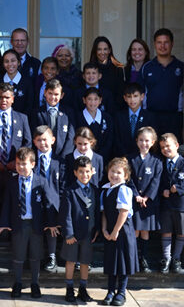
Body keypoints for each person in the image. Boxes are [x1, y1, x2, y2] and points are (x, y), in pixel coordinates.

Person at [0, 147, 58, 299]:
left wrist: (51, 223)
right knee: (18, 255)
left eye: (24, 164)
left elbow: (49, 203)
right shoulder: (12, 182)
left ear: (33, 164)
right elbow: (6, 203)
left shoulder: (41, 181)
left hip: (36, 225)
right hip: (19, 225)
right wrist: (4, 223)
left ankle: (34, 283)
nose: (21, 167)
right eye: (18, 164)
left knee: (35, 255)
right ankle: (17, 283)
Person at [0, 83, 32, 234]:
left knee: (12, 200)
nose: (4, 100)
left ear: (13, 99)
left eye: (7, 97)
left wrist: (16, 162)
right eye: (1, 97)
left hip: (14, 169)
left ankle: (11, 232)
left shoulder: (22, 118)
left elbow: (27, 142)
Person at [60, 156, 100, 303]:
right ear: (75, 173)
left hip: (88, 233)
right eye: (81, 172)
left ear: (92, 172)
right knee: (71, 261)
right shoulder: (69, 191)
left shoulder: (95, 190)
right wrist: (69, 233)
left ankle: (83, 289)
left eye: (88, 172)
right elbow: (66, 215)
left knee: (85, 262)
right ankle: (69, 289)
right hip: (73, 234)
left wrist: (96, 230)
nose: (85, 175)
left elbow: (95, 212)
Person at [158, 133, 184, 274]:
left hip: (181, 204)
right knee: (166, 231)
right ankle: (166, 259)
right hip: (166, 204)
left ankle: (176, 259)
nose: (165, 149)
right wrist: (163, 190)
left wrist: (179, 188)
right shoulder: (161, 164)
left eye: (168, 146)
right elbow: (158, 182)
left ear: (176, 146)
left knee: (181, 232)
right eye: (162, 147)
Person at [101, 157, 139, 306]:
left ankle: (121, 292)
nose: (114, 175)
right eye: (112, 171)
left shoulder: (124, 190)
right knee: (111, 262)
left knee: (123, 262)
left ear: (125, 176)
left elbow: (123, 212)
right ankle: (110, 291)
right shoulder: (105, 191)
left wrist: (116, 231)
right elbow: (104, 212)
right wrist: (104, 229)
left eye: (119, 173)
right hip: (110, 230)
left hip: (122, 231)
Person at [128, 127, 163, 273]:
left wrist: (147, 196)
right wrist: (135, 195)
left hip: (148, 202)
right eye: (141, 140)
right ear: (136, 141)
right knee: (135, 230)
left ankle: (144, 258)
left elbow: (156, 180)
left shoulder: (157, 161)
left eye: (147, 140)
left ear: (153, 142)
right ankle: (133, 257)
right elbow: (128, 178)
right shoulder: (130, 158)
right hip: (134, 200)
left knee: (145, 231)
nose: (144, 143)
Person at [32, 125, 67, 271]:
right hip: (35, 199)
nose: (42, 143)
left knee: (52, 216)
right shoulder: (32, 160)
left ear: (52, 140)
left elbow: (63, 185)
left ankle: (52, 256)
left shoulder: (60, 161)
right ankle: (36, 257)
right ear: (34, 142)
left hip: (55, 202)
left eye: (45, 140)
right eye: (39, 140)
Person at [141, 28, 184, 143]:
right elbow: (141, 94)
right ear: (155, 44)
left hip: (174, 118)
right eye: (159, 42)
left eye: (166, 42)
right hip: (152, 117)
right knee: (153, 151)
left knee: (172, 150)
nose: (163, 46)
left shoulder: (181, 67)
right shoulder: (147, 67)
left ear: (172, 44)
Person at [32, 79, 75, 159]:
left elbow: (71, 136)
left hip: (63, 157)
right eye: (50, 93)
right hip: (42, 155)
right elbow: (34, 135)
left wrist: (63, 156)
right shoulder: (37, 113)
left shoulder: (68, 113)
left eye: (56, 94)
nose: (53, 97)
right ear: (45, 93)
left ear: (61, 95)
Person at [114, 83, 156, 157]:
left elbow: (152, 139)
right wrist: (124, 156)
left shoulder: (149, 117)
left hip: (143, 156)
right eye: (129, 97)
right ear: (125, 98)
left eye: (135, 96)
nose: (132, 100)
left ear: (142, 96)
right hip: (123, 157)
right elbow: (116, 139)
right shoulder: (119, 116)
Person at [75, 88, 114, 163]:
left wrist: (99, 158)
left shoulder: (107, 118)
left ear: (100, 100)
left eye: (96, 99)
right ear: (84, 100)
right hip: (82, 159)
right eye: (89, 99)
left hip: (103, 159)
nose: (93, 102)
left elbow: (109, 140)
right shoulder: (77, 117)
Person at [89, 36, 125, 108]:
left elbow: (120, 95)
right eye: (99, 49)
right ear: (95, 51)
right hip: (92, 109)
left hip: (113, 110)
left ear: (109, 50)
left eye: (105, 49)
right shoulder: (90, 69)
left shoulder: (118, 70)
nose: (102, 52)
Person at [2, 49, 34, 116]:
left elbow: (30, 106)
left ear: (19, 62)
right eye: (6, 61)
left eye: (13, 61)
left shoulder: (27, 82)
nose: (10, 64)